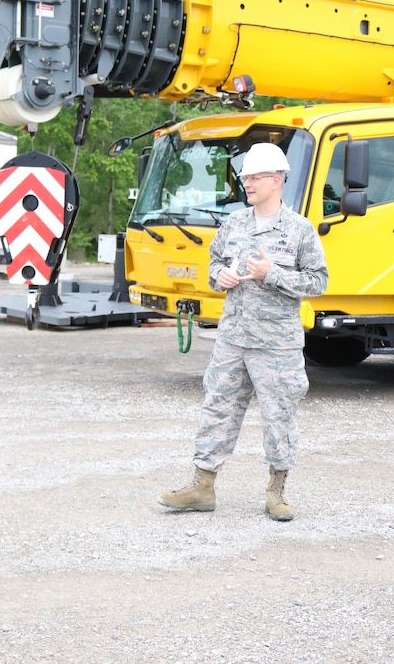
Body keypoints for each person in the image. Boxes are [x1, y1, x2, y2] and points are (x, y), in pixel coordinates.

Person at [158, 142, 328, 521]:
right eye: (245, 177)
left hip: (276, 344)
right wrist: (220, 274)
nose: (246, 183)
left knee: (278, 415)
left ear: (275, 180)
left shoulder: (299, 230)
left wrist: (274, 275)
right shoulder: (234, 223)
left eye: (253, 178)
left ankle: (276, 491)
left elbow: (319, 282)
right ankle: (202, 485)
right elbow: (214, 263)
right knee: (216, 408)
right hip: (233, 338)